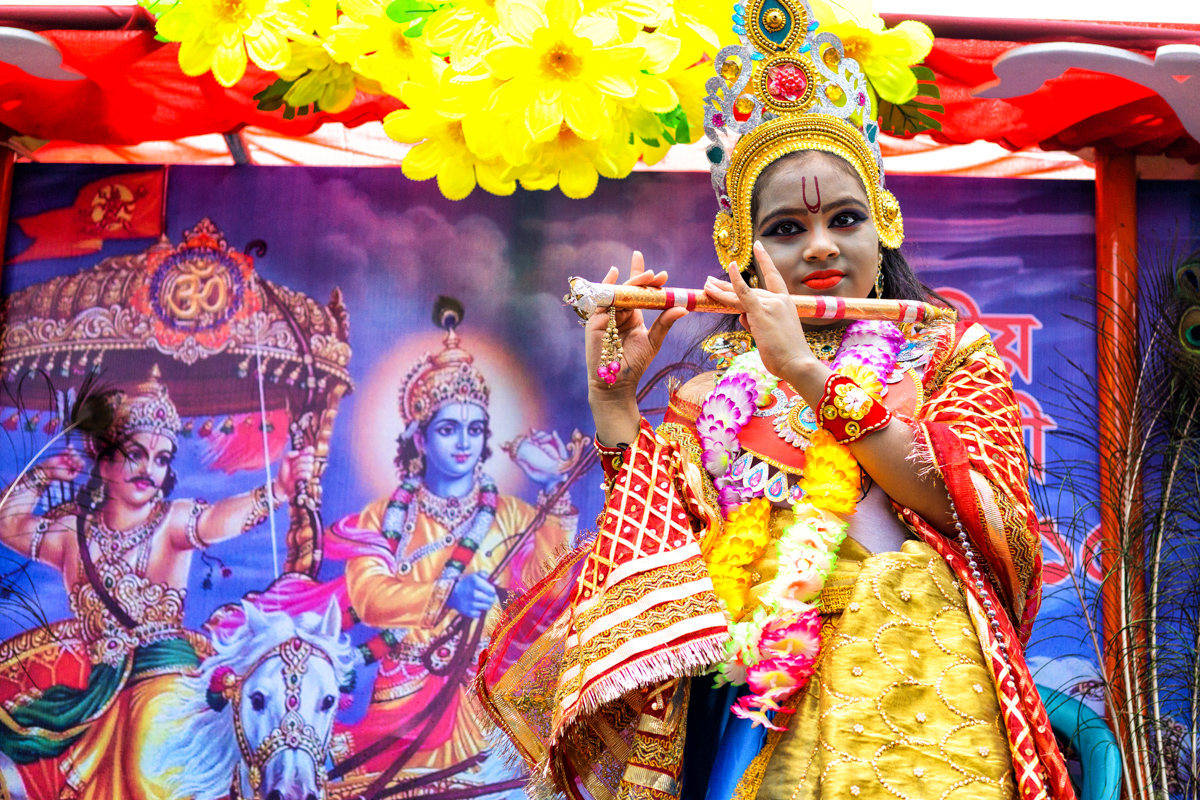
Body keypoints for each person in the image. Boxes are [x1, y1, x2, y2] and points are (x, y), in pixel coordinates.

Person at [477, 1, 1076, 799]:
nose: (822, 245)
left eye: (846, 218)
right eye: (788, 229)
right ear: (740, 254)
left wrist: (804, 373)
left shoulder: (948, 356)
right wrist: (614, 400)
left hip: (923, 694)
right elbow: (668, 566)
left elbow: (984, 519)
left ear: (884, 223)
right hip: (760, 704)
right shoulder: (710, 394)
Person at [0, 365, 314, 800]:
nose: (149, 468)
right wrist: (42, 475)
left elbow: (218, 520)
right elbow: (8, 523)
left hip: (166, 679)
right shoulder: (72, 532)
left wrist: (275, 492)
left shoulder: (173, 521)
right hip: (100, 691)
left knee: (151, 769)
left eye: (162, 458)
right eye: (135, 453)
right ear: (104, 460)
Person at [329, 301, 581, 794]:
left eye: (474, 429)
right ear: (419, 439)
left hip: (489, 711)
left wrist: (557, 494)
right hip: (401, 717)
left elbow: (550, 595)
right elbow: (370, 597)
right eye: (447, 429)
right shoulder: (382, 519)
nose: (463, 443)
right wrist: (448, 595)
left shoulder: (512, 515)